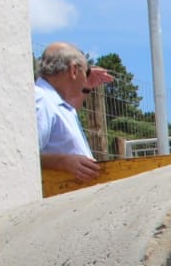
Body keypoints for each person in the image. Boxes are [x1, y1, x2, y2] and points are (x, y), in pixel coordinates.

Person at [34, 42, 113, 183]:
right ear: (74, 71)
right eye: (86, 72)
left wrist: (86, 86)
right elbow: (25, 158)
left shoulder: (54, 102)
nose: (86, 77)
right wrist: (63, 162)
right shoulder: (42, 100)